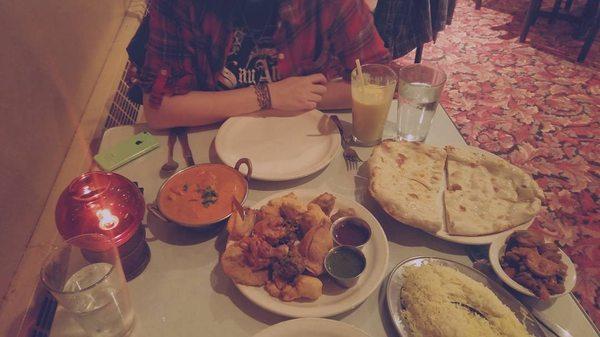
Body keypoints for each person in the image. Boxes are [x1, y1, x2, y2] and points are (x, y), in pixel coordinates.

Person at [128, 0, 391, 129]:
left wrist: (300, 96)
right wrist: (269, 95)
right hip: (211, 142)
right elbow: (159, 111)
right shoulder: (180, 4)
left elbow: (380, 82)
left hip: (306, 139)